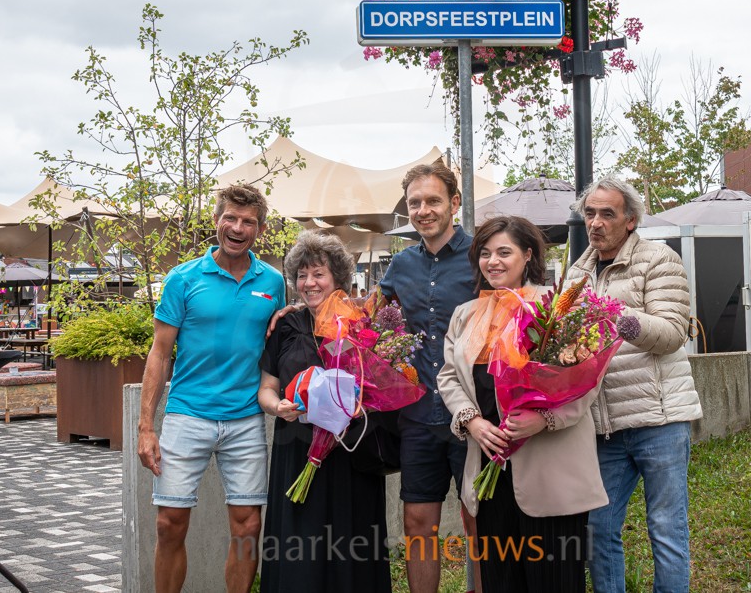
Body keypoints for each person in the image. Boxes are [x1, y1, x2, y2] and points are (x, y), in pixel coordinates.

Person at [438, 216, 607, 593]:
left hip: (550, 471)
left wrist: (543, 418)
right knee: (500, 581)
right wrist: (472, 421)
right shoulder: (465, 315)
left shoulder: (558, 311)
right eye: (484, 253)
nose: (493, 261)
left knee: (555, 581)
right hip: (489, 465)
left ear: (527, 255)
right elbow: (449, 376)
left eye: (504, 252)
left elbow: (586, 382)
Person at [137, 183, 285, 593]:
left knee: (248, 525)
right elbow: (159, 354)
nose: (238, 228)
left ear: (260, 228)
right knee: (169, 523)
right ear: (216, 221)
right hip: (187, 415)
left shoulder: (272, 282)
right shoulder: (183, 278)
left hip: (245, 420)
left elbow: (278, 345)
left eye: (248, 222)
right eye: (230, 219)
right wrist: (146, 427)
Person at [565, 176, 703, 593]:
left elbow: (672, 332)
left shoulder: (659, 259)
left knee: (665, 528)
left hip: (659, 420)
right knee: (597, 529)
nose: (596, 222)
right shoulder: (576, 273)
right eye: (590, 213)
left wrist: (615, 315)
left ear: (630, 220)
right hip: (604, 427)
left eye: (608, 213)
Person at [257, 231, 391, 592]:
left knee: (352, 541)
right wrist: (277, 407)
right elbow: (266, 389)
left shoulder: (362, 323)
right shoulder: (285, 325)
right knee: (299, 545)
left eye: (318, 274)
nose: (309, 283)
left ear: (338, 279)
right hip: (297, 448)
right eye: (301, 275)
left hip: (350, 454)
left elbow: (380, 384)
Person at [377, 162, 480, 593]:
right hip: (418, 415)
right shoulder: (400, 265)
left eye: (433, 200)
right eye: (415, 202)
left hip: (472, 414)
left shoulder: (481, 256)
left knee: (480, 525)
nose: (423, 210)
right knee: (418, 524)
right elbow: (372, 321)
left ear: (454, 203)